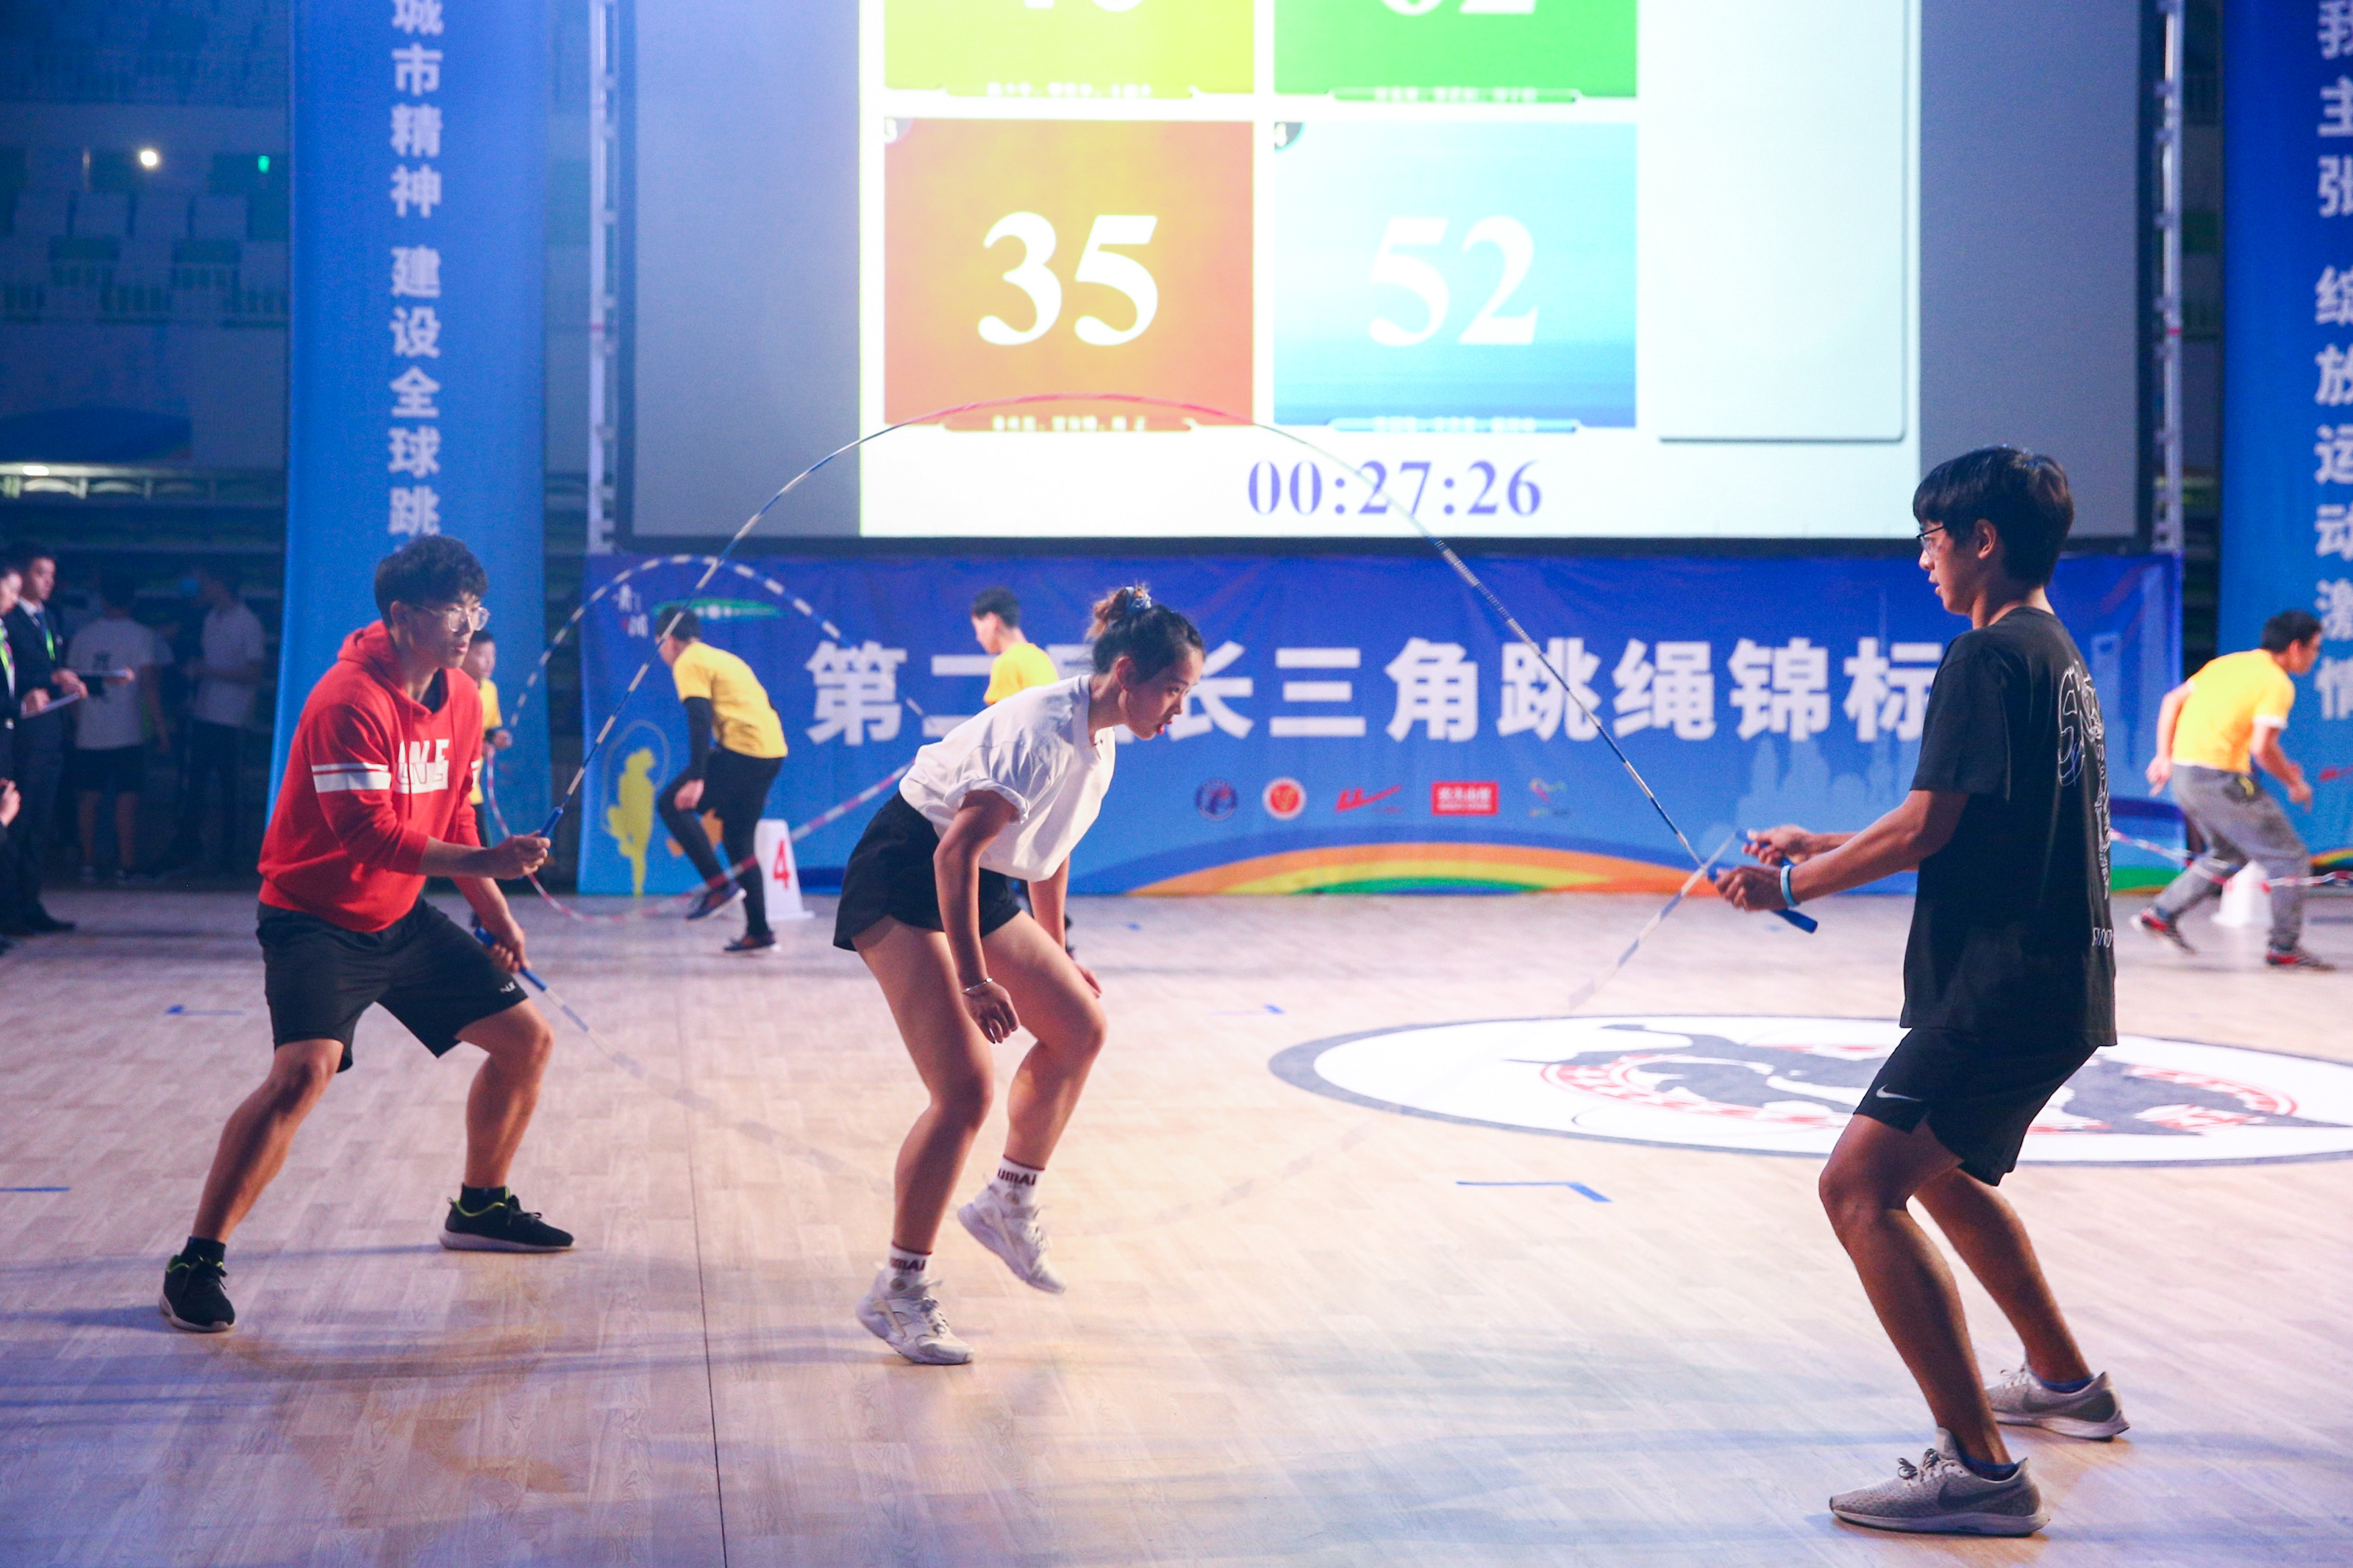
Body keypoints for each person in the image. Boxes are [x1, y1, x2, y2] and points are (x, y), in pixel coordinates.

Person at [1717, 448, 2127, 1536]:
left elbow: (1924, 827)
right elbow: (1970, 822)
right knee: (1934, 1174)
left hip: (2000, 986)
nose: (1922, 558)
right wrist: (1826, 842)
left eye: (1931, 538)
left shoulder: (1983, 657)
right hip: (2058, 981)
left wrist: (1789, 885)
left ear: (1982, 540)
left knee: (1857, 1188)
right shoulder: (2055, 656)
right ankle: (2065, 1385)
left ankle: (1981, 1476)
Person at [159, 537, 568, 1336]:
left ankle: (479, 1207)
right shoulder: (347, 699)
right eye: (453, 609)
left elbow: (455, 819)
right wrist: (491, 861)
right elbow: (368, 836)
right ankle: (195, 1262)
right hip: (314, 918)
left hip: (400, 915)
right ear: (403, 615)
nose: (469, 625)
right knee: (301, 1076)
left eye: (476, 608)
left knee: (527, 1042)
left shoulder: (461, 697)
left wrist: (499, 915)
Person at [838, 585, 1202, 1366]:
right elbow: (952, 854)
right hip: (906, 871)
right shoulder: (1040, 731)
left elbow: (1051, 848)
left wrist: (1055, 949)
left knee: (1078, 1026)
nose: (1180, 708)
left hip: (979, 879)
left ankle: (1008, 1199)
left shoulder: (1101, 740)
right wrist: (975, 980)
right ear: (1128, 673)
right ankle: (898, 1288)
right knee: (965, 1089)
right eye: (1174, 689)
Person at [2137, 609, 2330, 969]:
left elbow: (2171, 701)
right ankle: (2285, 947)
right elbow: (2262, 748)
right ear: (2295, 647)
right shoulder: (2276, 682)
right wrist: (2295, 783)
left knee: (2230, 853)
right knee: (2289, 857)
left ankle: (2161, 914)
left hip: (2186, 774)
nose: (2315, 657)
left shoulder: (2226, 665)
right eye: (2315, 649)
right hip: (2219, 779)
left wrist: (2164, 755)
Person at [654, 609, 788, 954]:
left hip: (743, 751)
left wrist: (697, 778)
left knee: (671, 804)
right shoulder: (725, 659)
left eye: (660, 646)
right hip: (771, 752)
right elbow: (768, 705)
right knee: (738, 838)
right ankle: (759, 931)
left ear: (669, 642)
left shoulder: (688, 662)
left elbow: (699, 718)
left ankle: (718, 886)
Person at [4, 542, 89, 934]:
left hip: (51, 729)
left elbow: (52, 667)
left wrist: (75, 683)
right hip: (23, 733)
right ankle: (10, 909)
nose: (49, 582)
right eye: (41, 573)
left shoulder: (48, 617)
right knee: (18, 823)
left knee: (40, 823)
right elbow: (15, 674)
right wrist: (47, 679)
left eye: (52, 575)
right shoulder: (9, 620)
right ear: (19, 575)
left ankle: (30, 902)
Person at [68, 572, 171, 881]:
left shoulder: (83, 636)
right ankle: (126, 864)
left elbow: (71, 686)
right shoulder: (142, 636)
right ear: (133, 600)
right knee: (127, 798)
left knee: (88, 798)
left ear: (102, 599)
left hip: (89, 730)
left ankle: (88, 862)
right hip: (128, 730)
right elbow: (149, 686)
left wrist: (77, 723)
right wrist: (162, 730)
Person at [167, 562, 267, 876]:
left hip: (232, 719)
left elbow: (255, 673)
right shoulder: (211, 617)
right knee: (195, 787)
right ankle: (190, 848)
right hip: (205, 713)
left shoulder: (247, 622)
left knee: (230, 791)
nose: (202, 588)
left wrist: (207, 672)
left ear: (220, 584)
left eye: (206, 582)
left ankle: (230, 857)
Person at [971, 586, 1061, 704]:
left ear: (992, 621)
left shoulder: (1007, 663)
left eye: (977, 628)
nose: (978, 638)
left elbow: (1003, 715)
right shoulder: (1041, 657)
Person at [460, 629, 513, 813]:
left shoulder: (490, 690)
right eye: (482, 655)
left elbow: (486, 730)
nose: (490, 661)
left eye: (493, 655)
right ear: (462, 653)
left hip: (473, 790)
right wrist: (476, 747)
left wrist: (494, 738)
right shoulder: (447, 688)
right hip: (446, 787)